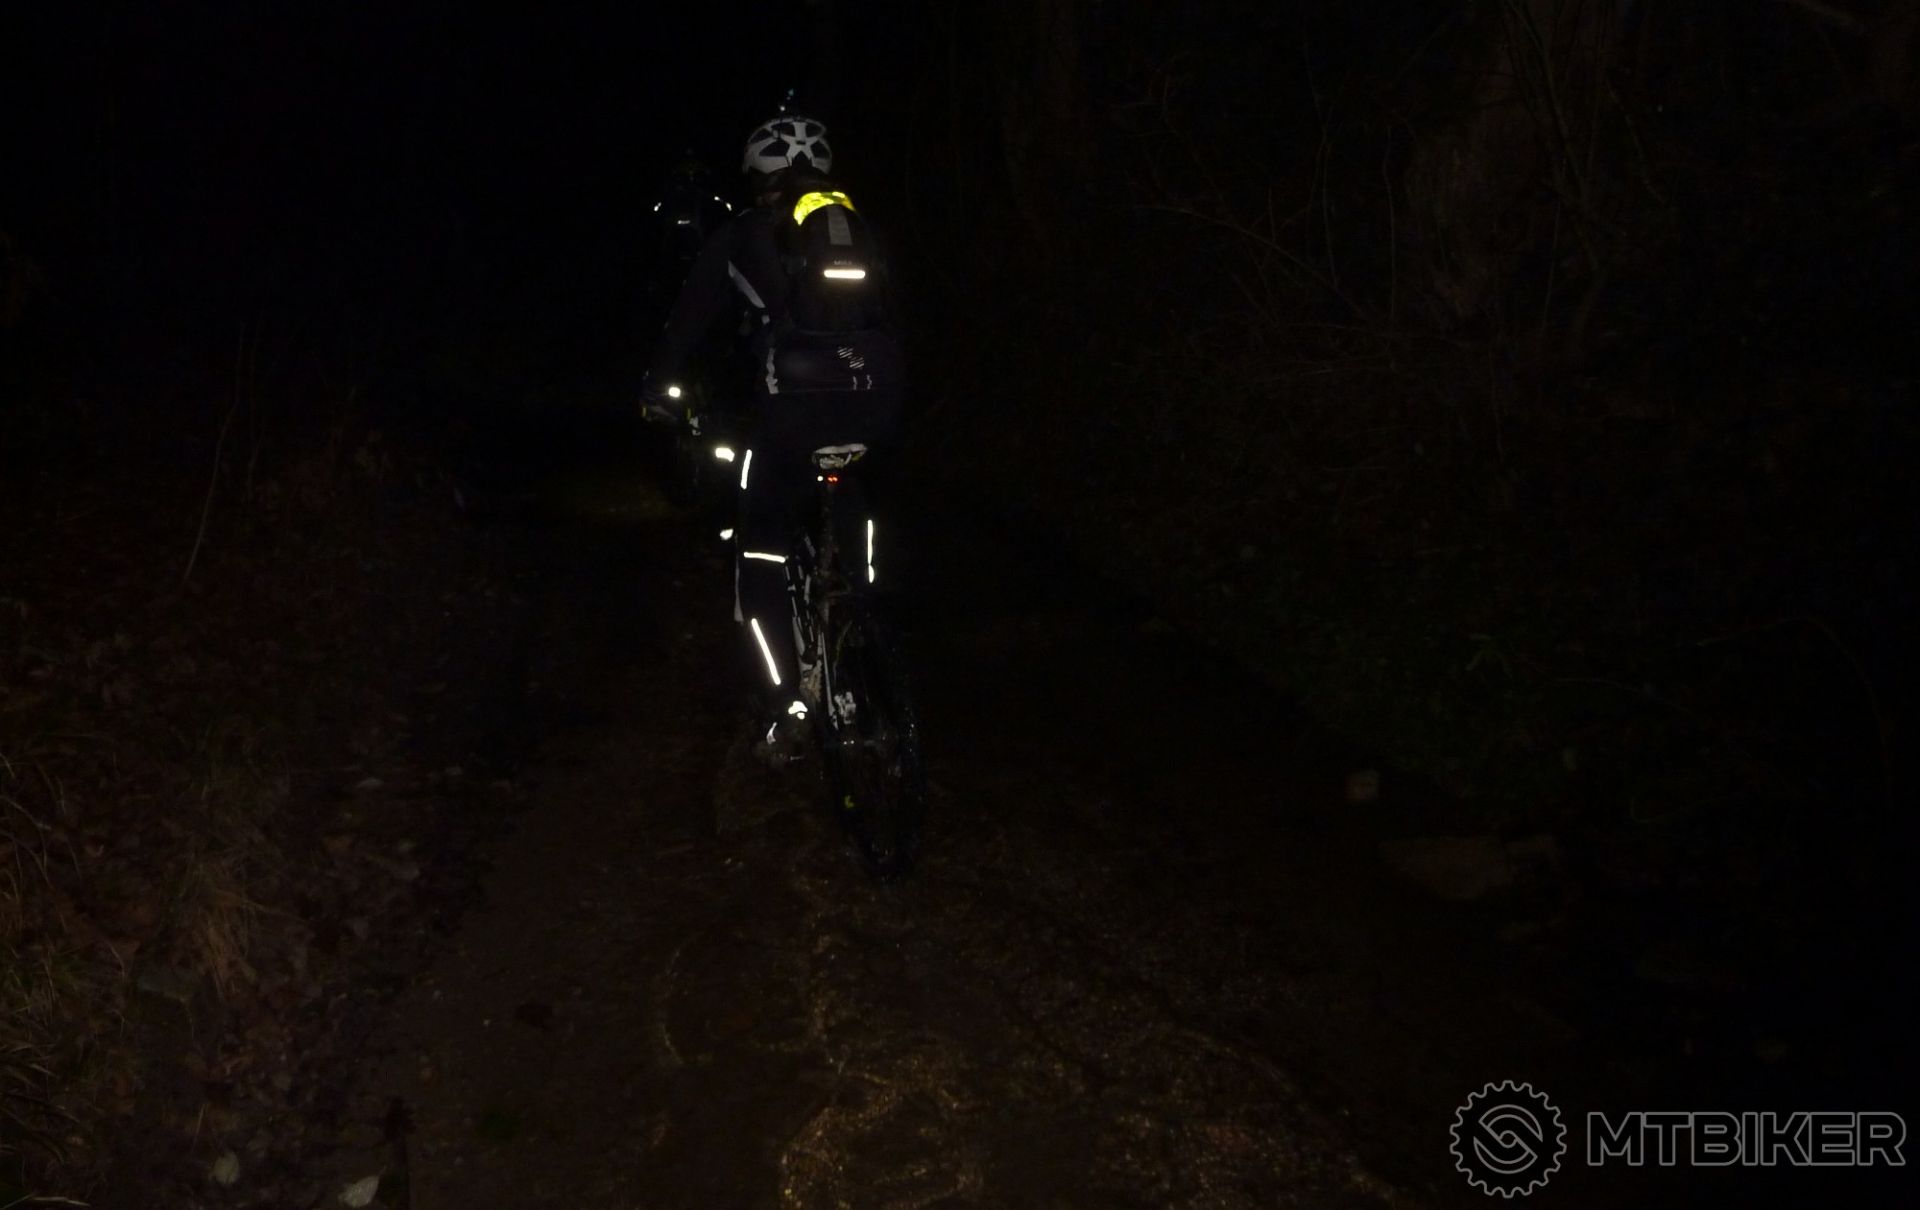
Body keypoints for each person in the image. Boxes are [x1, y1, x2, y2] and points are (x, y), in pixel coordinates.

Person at [641, 115, 904, 762]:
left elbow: (689, 322)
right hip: (876, 397)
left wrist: (658, 388)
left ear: (757, 172)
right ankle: (862, 623)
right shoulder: (859, 227)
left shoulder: (741, 234)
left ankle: (788, 706)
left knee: (759, 554)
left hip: (790, 411)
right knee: (848, 483)